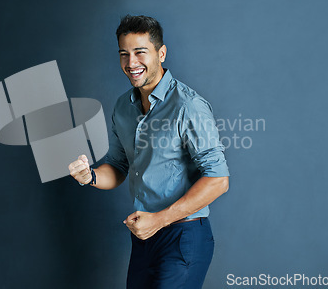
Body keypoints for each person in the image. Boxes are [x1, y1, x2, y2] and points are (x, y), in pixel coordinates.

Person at [68, 15, 230, 289]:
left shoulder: (189, 107)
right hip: (144, 238)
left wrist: (159, 220)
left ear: (161, 53)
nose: (131, 63)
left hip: (184, 236)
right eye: (124, 54)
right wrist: (90, 176)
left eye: (140, 52)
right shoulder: (122, 107)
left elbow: (219, 179)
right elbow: (118, 167)